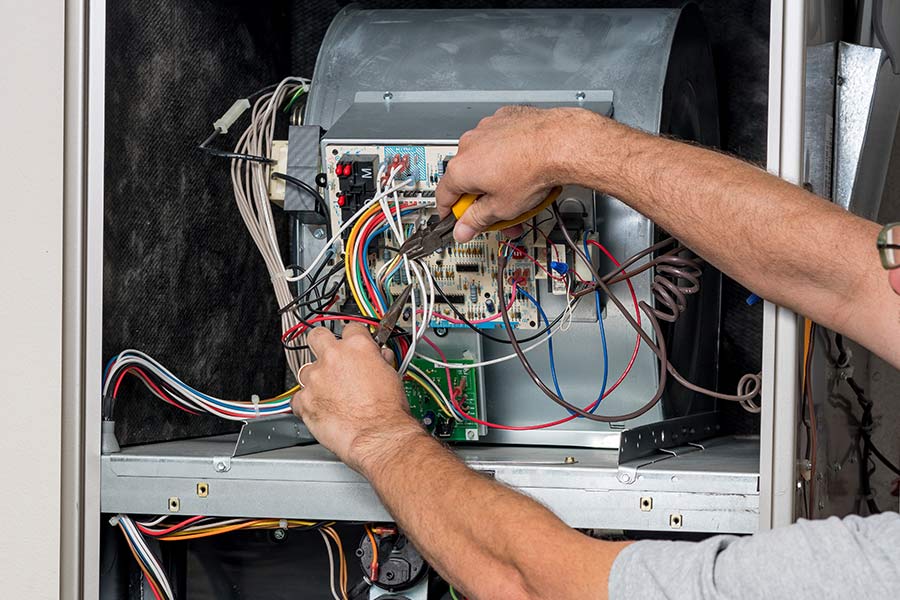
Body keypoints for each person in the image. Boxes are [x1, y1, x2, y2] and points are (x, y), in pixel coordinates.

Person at [292, 106, 900, 599]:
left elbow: (537, 585)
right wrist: (569, 144)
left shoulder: (866, 572)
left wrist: (378, 435)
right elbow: (845, 273)